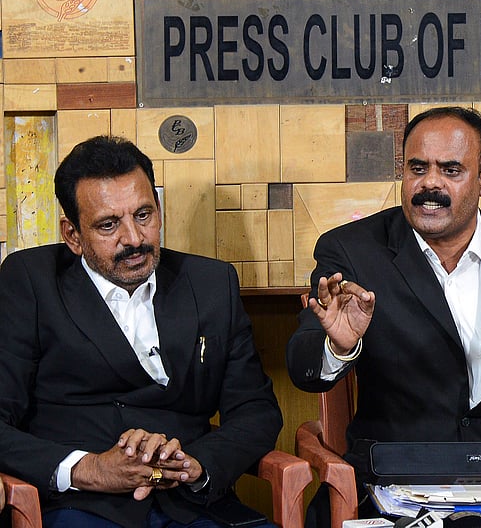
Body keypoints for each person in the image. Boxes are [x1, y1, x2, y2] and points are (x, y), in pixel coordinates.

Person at [286, 107, 481, 520]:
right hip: (397, 485)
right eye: (418, 168)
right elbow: (302, 362)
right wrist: (337, 346)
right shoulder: (352, 252)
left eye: (451, 170)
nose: (430, 183)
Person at [0, 136, 283, 527]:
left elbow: (256, 411)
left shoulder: (210, 283)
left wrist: (196, 465)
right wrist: (89, 469)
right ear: (73, 235)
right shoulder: (31, 281)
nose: (133, 239)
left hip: (193, 505)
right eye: (108, 225)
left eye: (144, 215)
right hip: (83, 508)